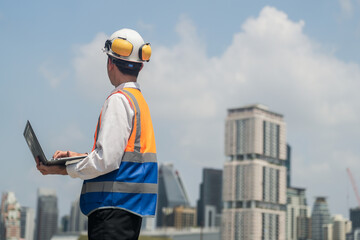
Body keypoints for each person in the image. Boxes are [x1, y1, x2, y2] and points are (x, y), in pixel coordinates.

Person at [36, 28, 158, 240]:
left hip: (112, 212)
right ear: (140, 66)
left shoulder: (119, 99)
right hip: (126, 212)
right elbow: (117, 158)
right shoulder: (138, 102)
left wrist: (65, 169)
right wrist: (76, 159)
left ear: (110, 63)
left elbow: (106, 160)